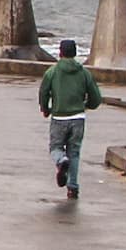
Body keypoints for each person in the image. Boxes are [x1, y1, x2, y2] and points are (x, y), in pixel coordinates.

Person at [38, 38, 102, 199]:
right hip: (78, 117)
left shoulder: (52, 72)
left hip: (59, 117)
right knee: (74, 152)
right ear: (75, 53)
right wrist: (88, 105)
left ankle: (61, 161)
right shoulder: (84, 73)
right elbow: (96, 97)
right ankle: (72, 187)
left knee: (55, 148)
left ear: (60, 53)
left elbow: (43, 92)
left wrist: (45, 109)